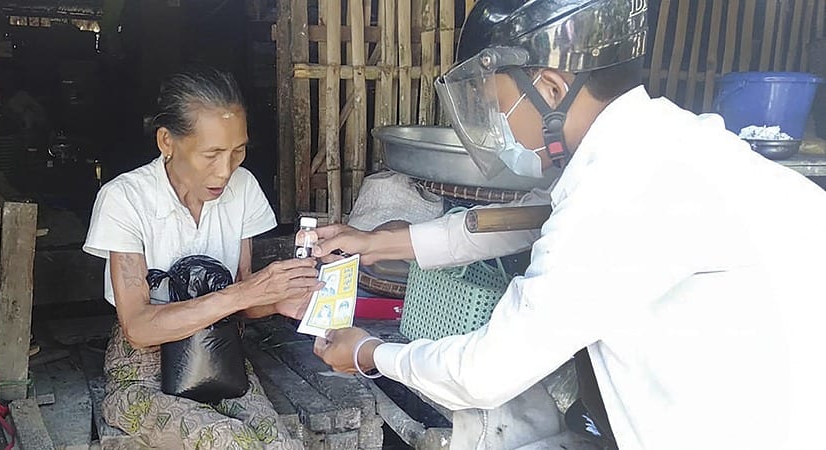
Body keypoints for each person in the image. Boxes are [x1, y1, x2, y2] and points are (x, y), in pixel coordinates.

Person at [312, 1, 826, 449]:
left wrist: (370, 352)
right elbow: (532, 218)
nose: (495, 124)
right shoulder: (663, 144)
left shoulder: (624, 193)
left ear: (550, 87)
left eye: (495, 106)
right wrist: (381, 244)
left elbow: (485, 372)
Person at [83, 66, 320, 449]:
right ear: (167, 141)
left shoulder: (243, 189)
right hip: (142, 373)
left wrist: (280, 300)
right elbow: (139, 327)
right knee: (227, 440)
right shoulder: (125, 198)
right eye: (211, 154)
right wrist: (244, 294)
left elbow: (243, 302)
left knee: (279, 442)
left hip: (224, 363)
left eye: (237, 151)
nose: (226, 170)